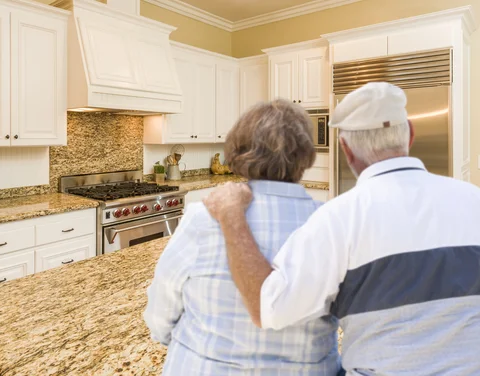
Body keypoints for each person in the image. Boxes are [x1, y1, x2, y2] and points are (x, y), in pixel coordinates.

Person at [203, 82, 480, 375]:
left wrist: (232, 214)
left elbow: (269, 308)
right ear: (409, 134)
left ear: (346, 150)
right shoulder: (474, 199)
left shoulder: (337, 219)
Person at [143, 99, 341, 375]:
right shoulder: (333, 226)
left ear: (237, 151)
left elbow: (162, 308)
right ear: (307, 154)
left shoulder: (203, 218)